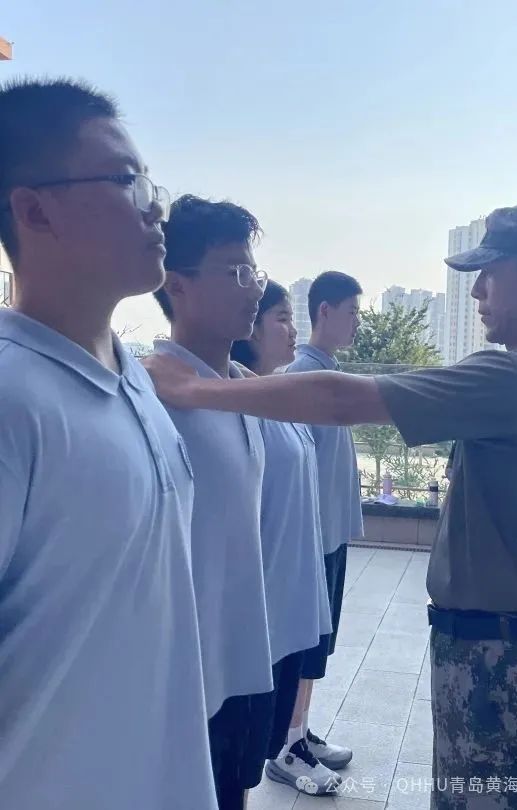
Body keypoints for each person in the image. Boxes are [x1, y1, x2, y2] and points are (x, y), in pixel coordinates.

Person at [143, 200, 517, 808]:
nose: (477, 292)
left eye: (491, 274)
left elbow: (343, 400)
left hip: (510, 664)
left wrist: (194, 387)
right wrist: (227, 382)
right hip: (500, 652)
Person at [0, 79, 217, 810]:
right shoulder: (10, 396)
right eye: (125, 180)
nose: (155, 206)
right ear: (35, 210)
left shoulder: (136, 381)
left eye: (149, 181)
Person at [152, 195, 274, 810]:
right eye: (235, 271)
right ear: (177, 284)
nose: (255, 287)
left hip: (241, 658)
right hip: (184, 678)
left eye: (254, 271)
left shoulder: (238, 389)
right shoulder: (155, 394)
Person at [231, 280, 339, 796]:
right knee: (239, 758)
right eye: (281, 318)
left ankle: (292, 743)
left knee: (257, 744)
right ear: (250, 329)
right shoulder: (240, 403)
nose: (293, 329)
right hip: (265, 608)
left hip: (293, 598)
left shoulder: (278, 398)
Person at [284, 271, 363, 770]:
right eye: (351, 312)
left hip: (330, 536)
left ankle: (299, 731)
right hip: (311, 540)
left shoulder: (328, 374)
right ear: (324, 312)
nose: (357, 322)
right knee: (307, 643)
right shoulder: (302, 379)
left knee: (320, 644)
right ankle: (289, 743)